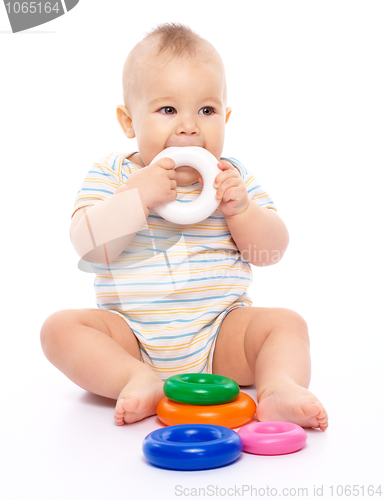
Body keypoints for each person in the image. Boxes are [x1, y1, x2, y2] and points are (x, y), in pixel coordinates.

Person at [40, 23, 328, 430]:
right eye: (168, 110)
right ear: (128, 122)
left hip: (221, 334)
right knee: (60, 329)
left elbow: (273, 251)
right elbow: (89, 247)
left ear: (226, 117)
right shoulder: (113, 174)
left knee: (286, 323)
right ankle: (134, 378)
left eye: (207, 111)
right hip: (132, 338)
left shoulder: (233, 177)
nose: (190, 126)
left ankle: (278, 386)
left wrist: (242, 210)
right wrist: (136, 197)